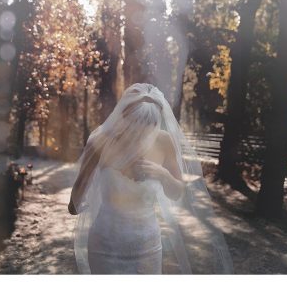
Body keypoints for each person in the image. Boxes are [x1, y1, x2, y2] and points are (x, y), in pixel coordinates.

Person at [68, 83, 232, 274]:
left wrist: (162, 174)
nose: (143, 131)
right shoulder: (100, 142)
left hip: (146, 246)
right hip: (105, 244)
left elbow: (177, 192)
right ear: (123, 116)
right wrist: (77, 205)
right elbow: (77, 195)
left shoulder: (164, 142)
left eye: (151, 124)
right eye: (137, 123)